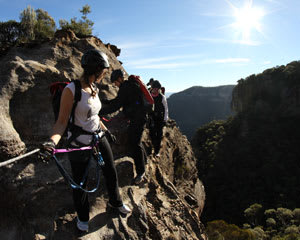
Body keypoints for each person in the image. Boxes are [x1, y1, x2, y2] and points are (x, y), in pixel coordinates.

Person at [40, 49, 131, 232]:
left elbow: (94, 116)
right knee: (80, 184)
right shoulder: (71, 90)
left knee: (111, 172)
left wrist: (106, 131)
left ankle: (116, 202)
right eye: (104, 70)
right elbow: (61, 122)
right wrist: (51, 142)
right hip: (79, 144)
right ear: (96, 69)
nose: (105, 74)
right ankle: (82, 218)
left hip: (98, 137)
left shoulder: (94, 89)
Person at [99, 69, 147, 185]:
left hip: (138, 119)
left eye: (115, 82)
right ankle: (144, 161)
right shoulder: (129, 86)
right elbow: (118, 101)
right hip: (139, 117)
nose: (115, 84)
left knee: (134, 143)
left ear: (120, 79)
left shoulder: (126, 87)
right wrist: (107, 102)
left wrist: (100, 112)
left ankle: (141, 172)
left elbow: (117, 105)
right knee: (136, 141)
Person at [149, 80, 169, 156]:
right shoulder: (148, 95)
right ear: (152, 88)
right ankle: (154, 144)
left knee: (159, 134)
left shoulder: (162, 97)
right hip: (151, 117)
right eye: (155, 88)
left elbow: (166, 108)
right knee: (152, 133)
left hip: (160, 118)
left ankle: (157, 151)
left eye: (158, 89)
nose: (156, 90)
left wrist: (165, 119)